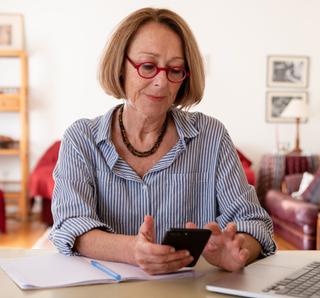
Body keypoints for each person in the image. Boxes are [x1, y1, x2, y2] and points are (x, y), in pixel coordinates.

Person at [50, 7, 276, 275]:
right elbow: (71, 225)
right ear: (120, 66)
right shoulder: (81, 138)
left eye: (175, 70)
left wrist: (239, 250)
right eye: (147, 66)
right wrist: (132, 250)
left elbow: (253, 223)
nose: (161, 82)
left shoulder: (211, 136)